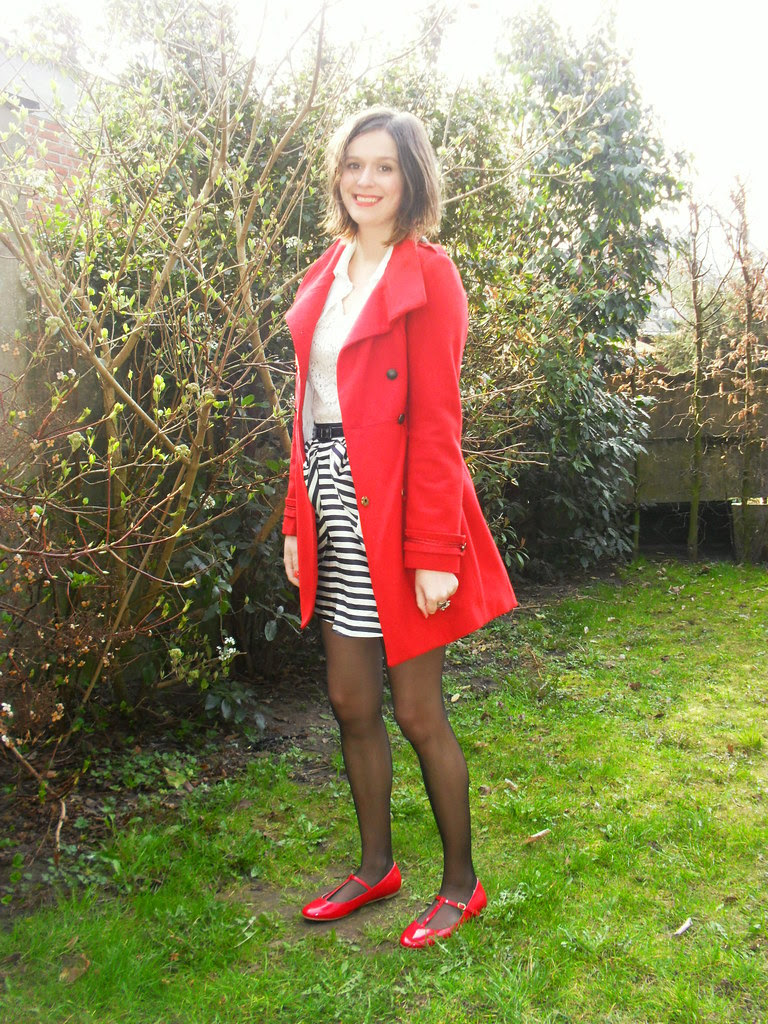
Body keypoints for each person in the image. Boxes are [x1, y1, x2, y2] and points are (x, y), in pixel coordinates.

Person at [282, 107, 517, 949]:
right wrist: (296, 520)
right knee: (351, 700)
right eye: (354, 164)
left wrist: (434, 550)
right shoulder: (326, 270)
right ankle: (376, 866)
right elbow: (306, 412)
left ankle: (461, 883)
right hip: (330, 497)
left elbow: (438, 424)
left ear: (411, 178)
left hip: (399, 509)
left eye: (384, 166)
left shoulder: (430, 275)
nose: (366, 180)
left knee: (418, 711)